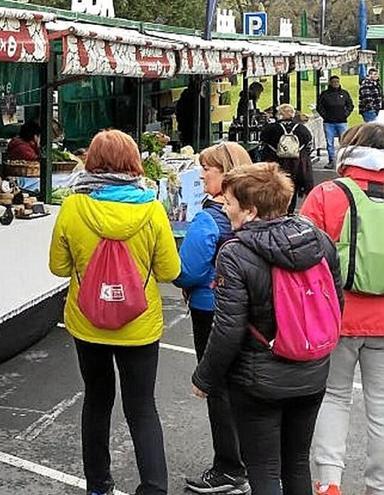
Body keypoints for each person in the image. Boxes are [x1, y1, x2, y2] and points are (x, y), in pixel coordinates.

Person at [192, 163, 343, 495]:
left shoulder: (236, 252)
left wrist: (205, 377)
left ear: (250, 210)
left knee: (263, 468)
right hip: (312, 370)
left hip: (258, 378)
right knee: (297, 463)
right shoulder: (318, 240)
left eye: (229, 201)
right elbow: (335, 304)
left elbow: (228, 328)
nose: (224, 206)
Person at [49, 130, 180, 495]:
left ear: (91, 161)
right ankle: (154, 487)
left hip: (87, 321)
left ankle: (98, 485)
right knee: (142, 407)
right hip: (139, 324)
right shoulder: (152, 209)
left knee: (96, 400)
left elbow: (58, 267)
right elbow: (170, 271)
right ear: (134, 162)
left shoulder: (73, 207)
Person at [301, 123, 384, 495]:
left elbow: (300, 255)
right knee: (381, 409)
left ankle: (328, 482)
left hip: (335, 316)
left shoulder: (327, 194)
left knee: (333, 397)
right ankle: (378, 486)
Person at [174, 142, 253, 495]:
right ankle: (251, 462)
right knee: (245, 387)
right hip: (252, 309)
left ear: (228, 173)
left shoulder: (210, 218)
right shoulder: (256, 213)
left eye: (209, 168)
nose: (202, 173)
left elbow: (186, 270)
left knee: (217, 389)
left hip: (211, 309)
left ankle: (228, 468)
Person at [259, 104, 314, 213]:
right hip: (296, 165)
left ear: (279, 115)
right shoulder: (302, 129)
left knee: (275, 186)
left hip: (276, 163)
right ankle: (290, 209)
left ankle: (275, 209)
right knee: (292, 186)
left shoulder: (271, 129)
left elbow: (263, 142)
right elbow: (308, 145)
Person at [317, 76, 354, 168]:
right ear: (330, 83)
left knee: (344, 142)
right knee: (330, 143)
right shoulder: (324, 94)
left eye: (337, 82)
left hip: (342, 121)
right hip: (329, 122)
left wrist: (345, 114)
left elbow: (350, 105)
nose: (335, 83)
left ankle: (343, 160)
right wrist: (325, 116)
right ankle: (331, 160)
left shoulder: (344, 93)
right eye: (333, 82)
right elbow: (319, 107)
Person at [176, 80, 201, 148]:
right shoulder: (200, 98)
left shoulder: (185, 95)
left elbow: (178, 112)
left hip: (186, 127)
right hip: (191, 127)